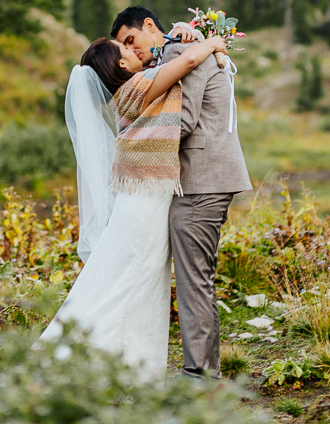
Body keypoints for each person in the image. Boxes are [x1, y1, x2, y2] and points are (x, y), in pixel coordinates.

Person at [40, 26, 227, 381]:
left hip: (144, 204)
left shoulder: (130, 91)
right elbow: (188, 60)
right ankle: (101, 367)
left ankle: (129, 364)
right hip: (143, 210)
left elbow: (173, 57)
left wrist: (179, 35)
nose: (132, 51)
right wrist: (212, 43)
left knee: (137, 285)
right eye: (122, 50)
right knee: (130, 285)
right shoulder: (134, 89)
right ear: (121, 67)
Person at [111, 6, 252, 379]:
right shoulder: (182, 46)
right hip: (208, 176)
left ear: (148, 26)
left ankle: (200, 376)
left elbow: (184, 119)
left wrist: (131, 134)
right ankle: (204, 370)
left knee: (194, 281)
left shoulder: (177, 51)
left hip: (200, 179)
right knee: (197, 277)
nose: (132, 50)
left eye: (130, 40)